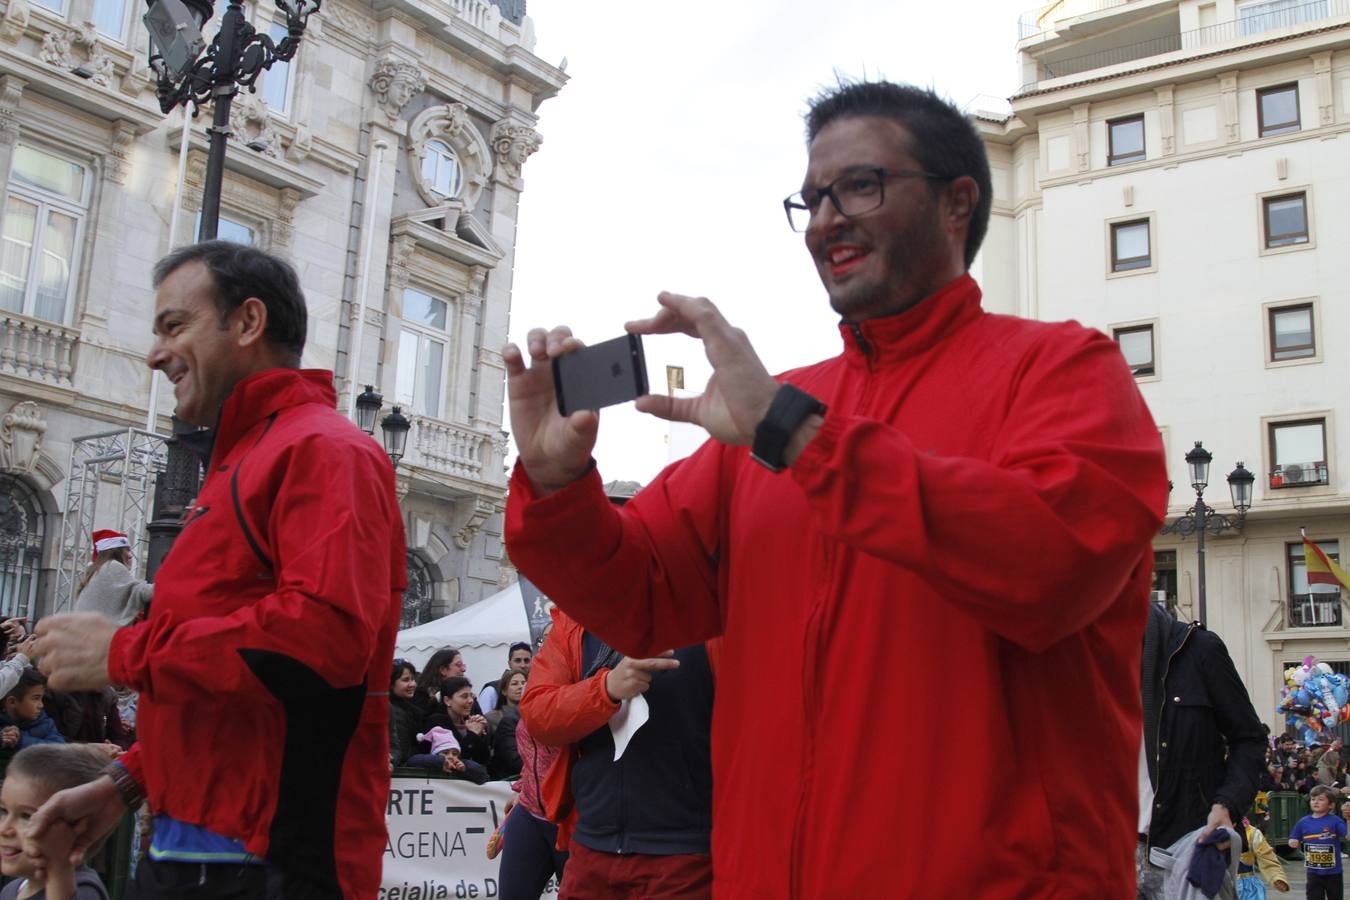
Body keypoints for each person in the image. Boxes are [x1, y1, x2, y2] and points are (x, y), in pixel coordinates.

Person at [501, 80, 1168, 895]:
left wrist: (797, 436)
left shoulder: (1065, 371)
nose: (825, 220)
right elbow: (639, 598)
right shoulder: (767, 423)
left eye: (861, 186)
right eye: (812, 198)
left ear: (959, 202)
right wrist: (559, 482)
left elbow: (1052, 565)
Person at [30, 241, 406, 899]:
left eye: (174, 325)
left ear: (248, 322)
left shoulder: (325, 449)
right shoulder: (248, 459)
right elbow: (235, 691)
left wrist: (124, 651)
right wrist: (128, 781)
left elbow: (324, 645)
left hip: (272, 863)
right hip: (192, 849)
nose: (155, 353)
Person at [520, 606, 714, 898]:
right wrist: (606, 688)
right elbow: (537, 713)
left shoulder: (714, 616)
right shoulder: (574, 625)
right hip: (591, 848)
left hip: (685, 854)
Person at [1139, 601, 1267, 898]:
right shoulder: (1084, 659)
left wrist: (1226, 805)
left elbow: (1249, 739)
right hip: (1108, 856)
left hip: (1185, 848)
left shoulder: (1198, 650)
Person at [1, 744, 110, 900]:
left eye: (26, 816)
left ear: (79, 830)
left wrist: (59, 872)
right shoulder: (12, 890)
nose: (4, 829)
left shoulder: (84, 892)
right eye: (4, 811)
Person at [73, 531, 152, 627]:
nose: (130, 555)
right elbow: (142, 592)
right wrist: (169, 583)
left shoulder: (98, 570)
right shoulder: (112, 566)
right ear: (115, 552)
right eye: (126, 550)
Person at [424, 676, 492, 778]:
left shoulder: (469, 721)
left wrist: (481, 732)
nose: (470, 701)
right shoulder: (437, 722)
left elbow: (483, 759)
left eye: (471, 696)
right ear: (447, 701)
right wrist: (473, 734)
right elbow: (455, 756)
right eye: (464, 696)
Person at [1290, 785, 1347, 899]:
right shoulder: (1303, 822)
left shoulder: (1335, 820)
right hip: (1313, 872)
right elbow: (1294, 836)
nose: (1315, 802)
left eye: (1321, 799)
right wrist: (1293, 841)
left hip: (1333, 872)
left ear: (1331, 805)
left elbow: (1348, 836)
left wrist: (1348, 818)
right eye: (1313, 799)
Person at [1, 669, 65, 751]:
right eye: (36, 698)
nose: (41, 705)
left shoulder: (45, 724)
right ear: (12, 702)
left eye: (41, 698)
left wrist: (21, 740)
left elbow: (59, 749)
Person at [1236, 817, 1290, 899]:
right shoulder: (1211, 831)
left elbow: (1267, 858)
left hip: (1247, 889)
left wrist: (1277, 876)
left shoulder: (1252, 833)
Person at [478, 643, 533, 713]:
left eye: (526, 660)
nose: (522, 665)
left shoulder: (536, 687)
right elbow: (484, 720)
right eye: (517, 660)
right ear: (509, 663)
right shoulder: (491, 690)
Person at [389, 659, 421, 769]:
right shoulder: (393, 711)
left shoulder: (409, 709)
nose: (412, 684)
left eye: (413, 679)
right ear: (391, 684)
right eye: (406, 680)